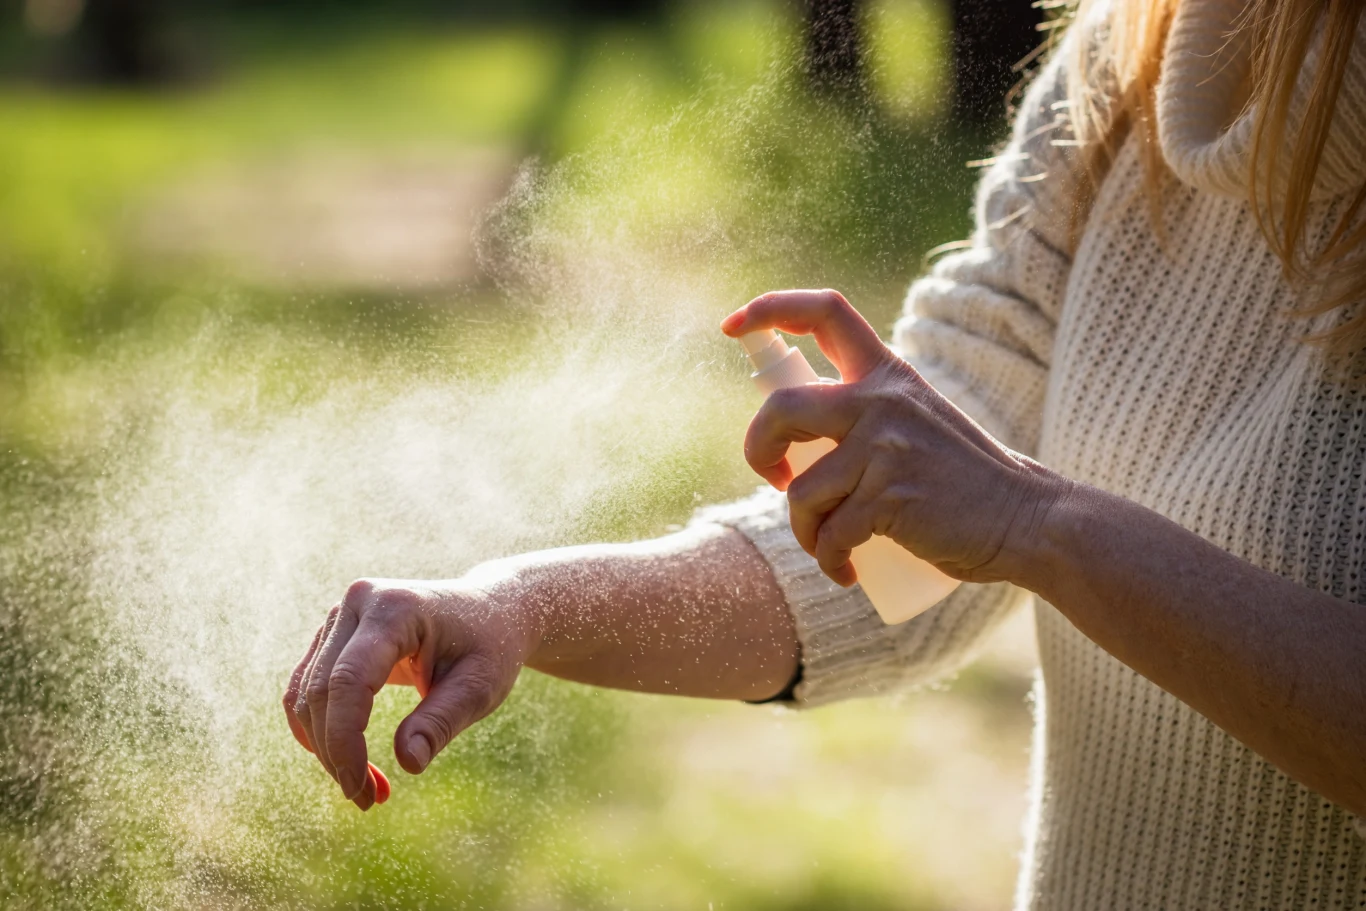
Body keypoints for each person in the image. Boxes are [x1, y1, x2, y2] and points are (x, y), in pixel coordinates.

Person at [283, 0, 1366, 906]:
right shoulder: (1128, 55)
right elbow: (897, 563)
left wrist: (1042, 528)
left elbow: (998, 511)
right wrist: (515, 605)